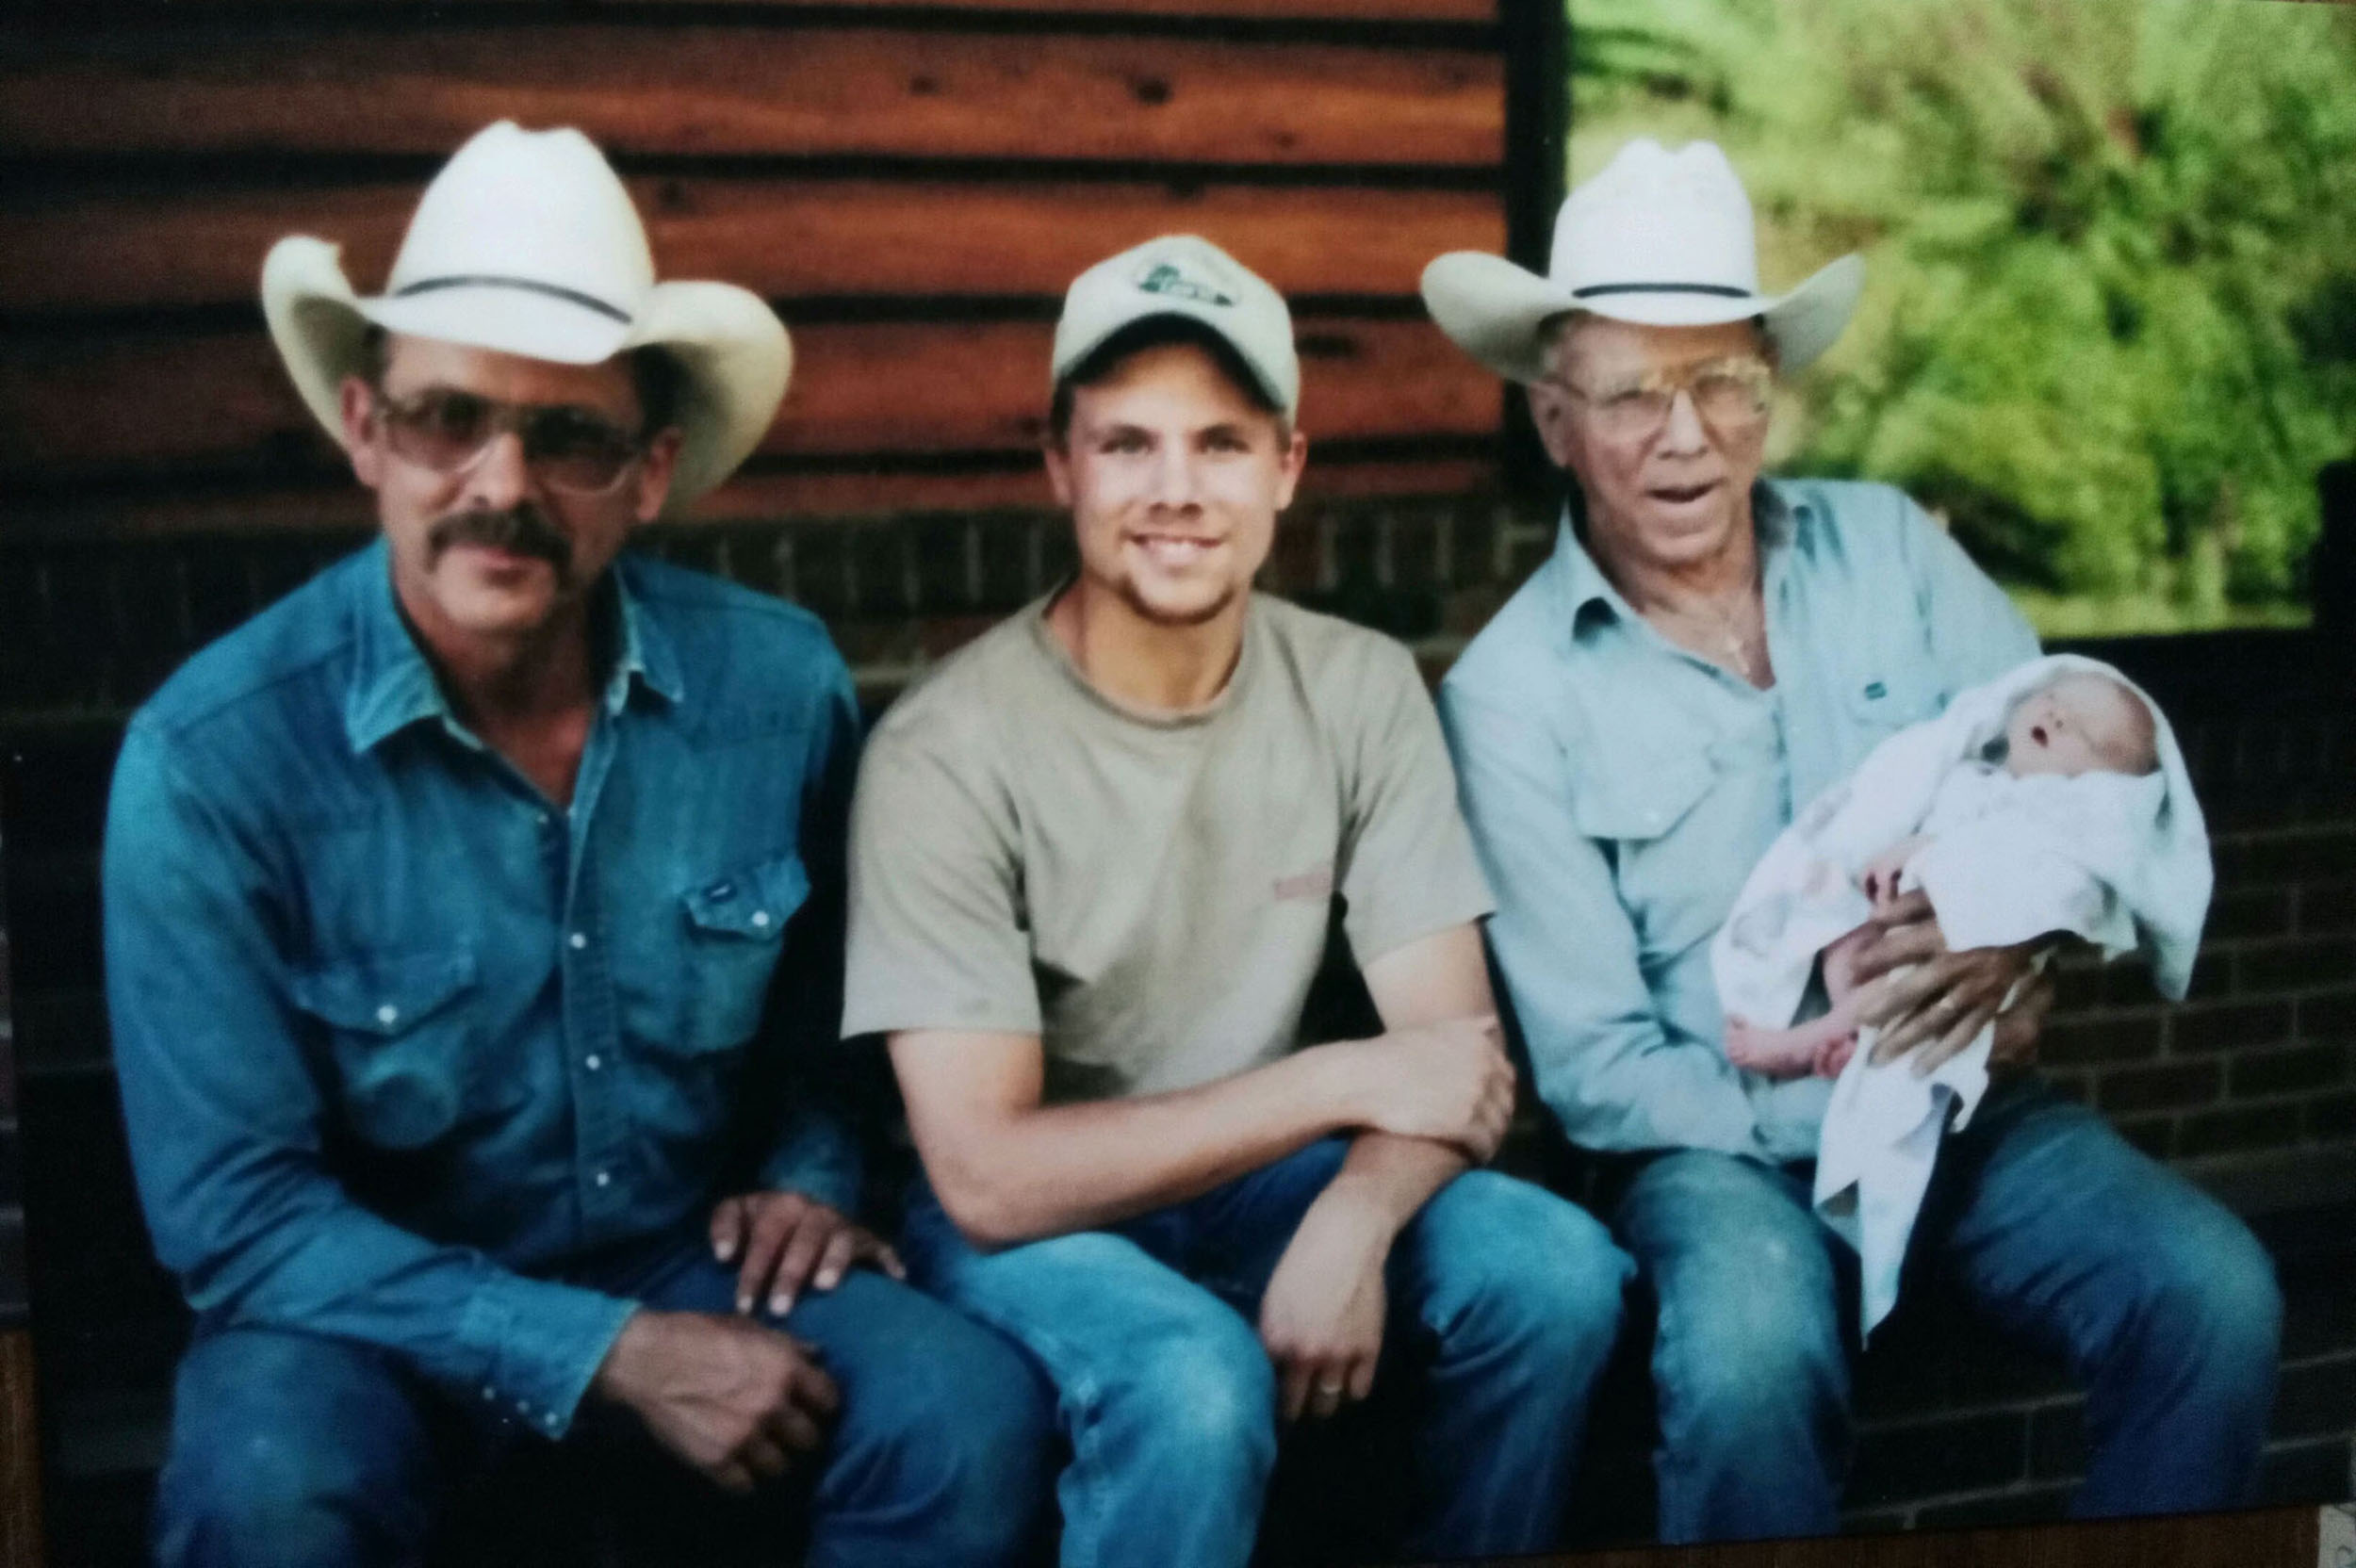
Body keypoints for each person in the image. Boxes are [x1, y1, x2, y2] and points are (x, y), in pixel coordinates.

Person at [103, 122, 1053, 1568]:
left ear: (651, 471)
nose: (502, 484)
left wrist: (808, 1175)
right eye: (448, 418)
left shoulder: (774, 688)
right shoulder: (213, 757)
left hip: (693, 1259)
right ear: (364, 430)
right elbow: (240, 1222)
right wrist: (604, 1352)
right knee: (269, 1486)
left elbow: (828, 1026)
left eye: (570, 437)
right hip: (365, 1321)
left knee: (960, 1414)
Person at [1421, 138, 2281, 1542]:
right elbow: (1596, 1072)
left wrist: (2019, 952)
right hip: (1710, 1147)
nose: (1687, 434)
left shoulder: (1890, 549)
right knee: (1750, 1362)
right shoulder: (1511, 696)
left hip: (1964, 1107)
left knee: (2212, 1292)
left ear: (1770, 386)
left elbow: (2074, 801)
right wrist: (1836, 1110)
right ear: (1553, 419)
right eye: (1633, 393)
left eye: (1723, 381)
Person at [843, 234, 1631, 1568]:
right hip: (1044, 1219)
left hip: (1274, 1185)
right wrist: (1332, 1081)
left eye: (1219, 443)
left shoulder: (1360, 687)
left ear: (1286, 468)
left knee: (1554, 1275)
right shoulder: (942, 750)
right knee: (1192, 1381)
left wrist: (1354, 1219)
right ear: (1061, 465)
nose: (1176, 489)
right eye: (1127, 444)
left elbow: (1453, 1061)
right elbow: (986, 1176)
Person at [1722, 662, 2169, 1080]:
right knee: (1838, 929)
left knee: (1896, 984)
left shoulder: (2046, 818)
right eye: (2053, 699)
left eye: (2082, 731)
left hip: (1950, 940)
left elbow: (1997, 857)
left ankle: (1801, 1045)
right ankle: (1857, 1028)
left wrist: (1920, 852)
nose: (2056, 716)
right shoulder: (1974, 773)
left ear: (2099, 786)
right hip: (1895, 915)